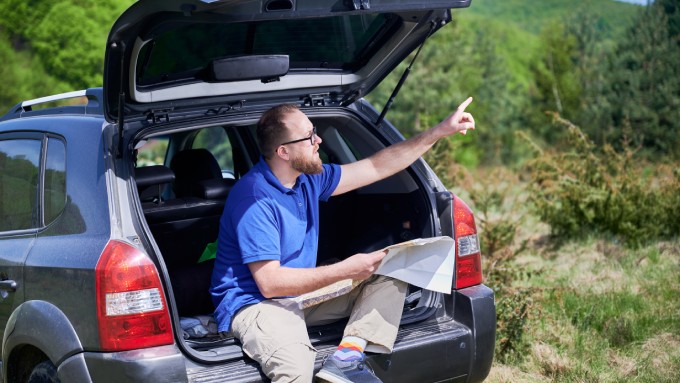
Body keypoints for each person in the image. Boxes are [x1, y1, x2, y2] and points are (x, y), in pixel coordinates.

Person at [210, 98, 475, 382]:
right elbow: (270, 283)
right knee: (296, 371)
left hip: (298, 296)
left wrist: (437, 132)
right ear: (283, 152)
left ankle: (346, 359)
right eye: (309, 135)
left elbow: (376, 167)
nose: (318, 140)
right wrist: (346, 269)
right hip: (256, 303)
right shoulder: (254, 199)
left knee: (390, 273)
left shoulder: (308, 179)